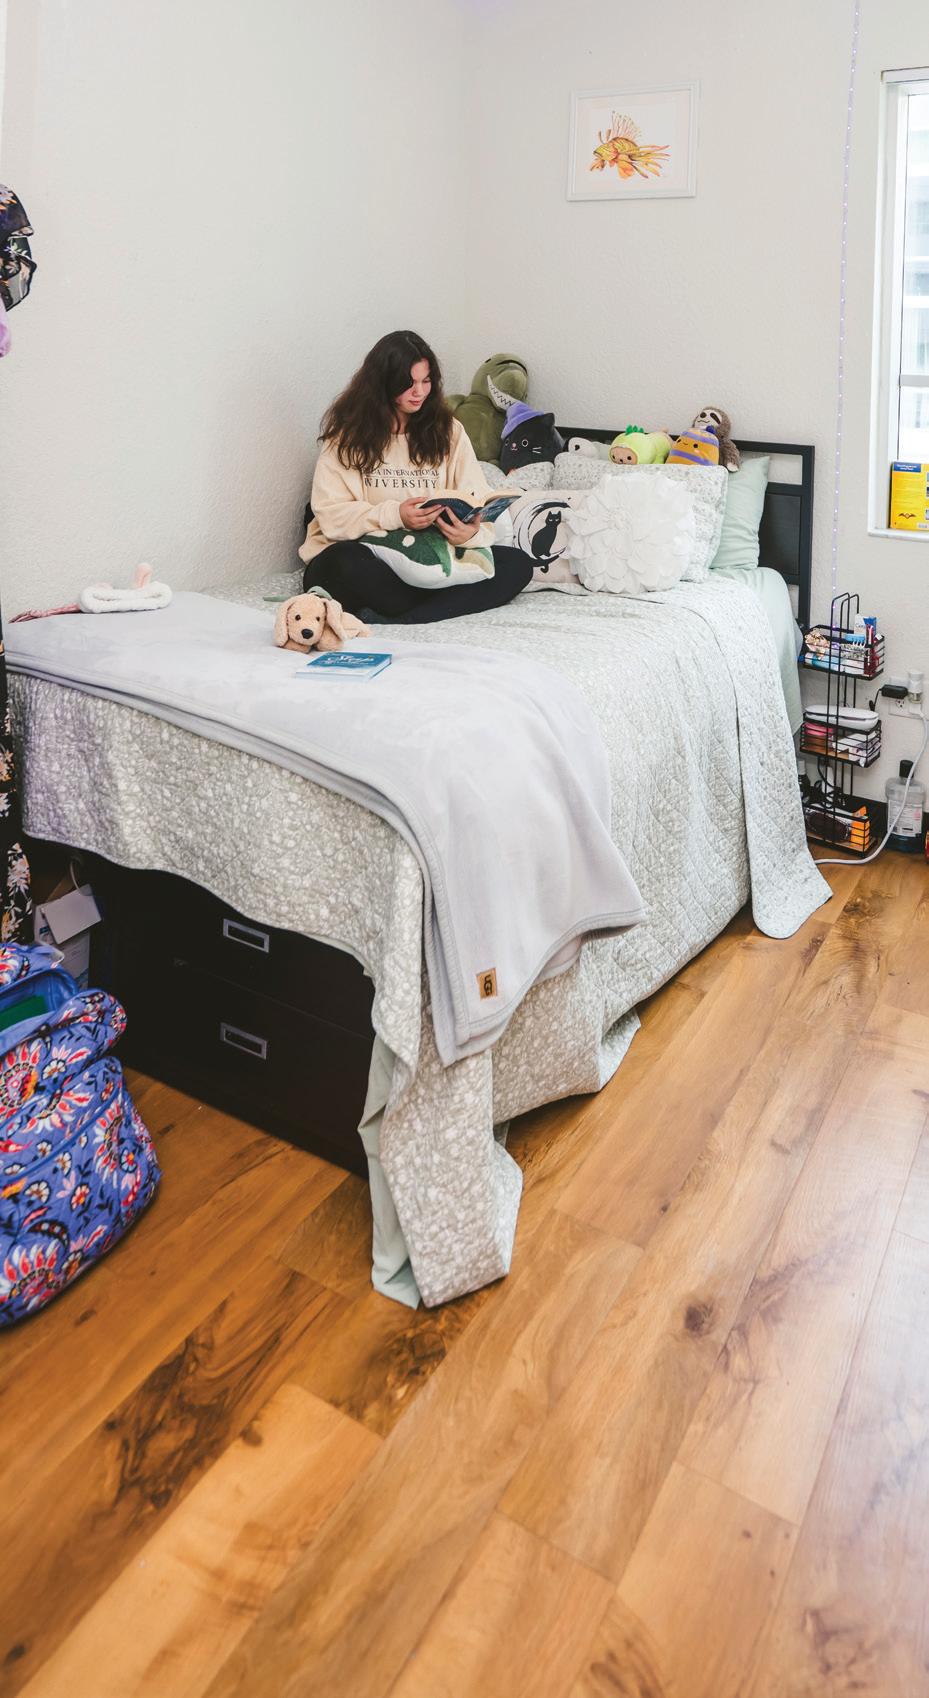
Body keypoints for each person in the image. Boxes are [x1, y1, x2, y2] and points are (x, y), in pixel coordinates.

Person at [299, 330, 534, 622]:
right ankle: (434, 607)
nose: (419, 392)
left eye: (426, 381)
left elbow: (476, 495)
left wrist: (471, 533)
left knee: (517, 565)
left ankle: (404, 613)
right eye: (408, 383)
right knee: (339, 564)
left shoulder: (448, 431)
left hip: (434, 558)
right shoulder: (347, 438)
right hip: (371, 558)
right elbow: (331, 516)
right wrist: (396, 515)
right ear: (383, 383)